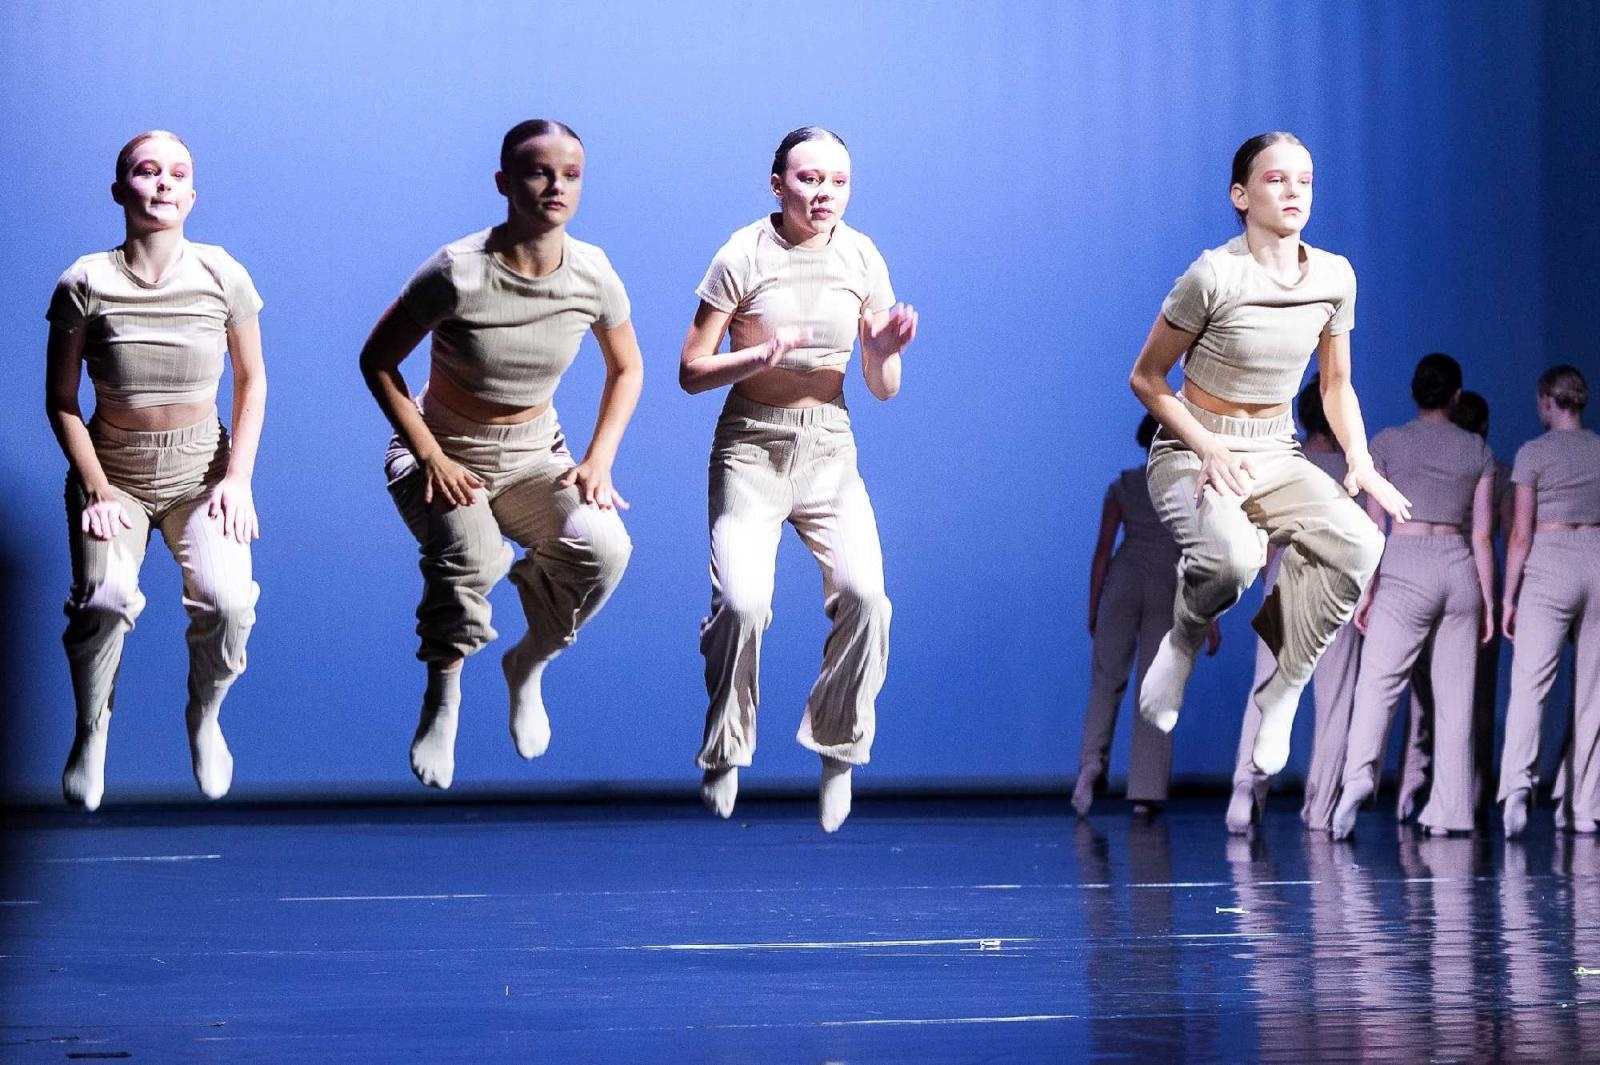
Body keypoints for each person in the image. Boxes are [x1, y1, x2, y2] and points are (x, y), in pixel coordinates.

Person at [358, 119, 641, 790]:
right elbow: (377, 360)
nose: (556, 186)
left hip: (535, 455)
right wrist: (431, 455)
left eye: (571, 174)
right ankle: (443, 697)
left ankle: (529, 663)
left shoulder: (594, 273)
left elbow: (627, 368)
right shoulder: (458, 270)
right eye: (540, 172)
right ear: (505, 183)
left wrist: (598, 458)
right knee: (475, 556)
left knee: (605, 547)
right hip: (441, 448)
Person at [1128, 131, 1400, 782]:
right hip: (1193, 445)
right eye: (1277, 179)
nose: (1294, 192)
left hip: (1276, 449)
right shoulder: (1213, 275)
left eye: (1305, 180)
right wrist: (1208, 443)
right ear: (1241, 195)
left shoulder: (1335, 276)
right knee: (1234, 558)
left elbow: (1334, 384)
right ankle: (1184, 640)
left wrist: (1358, 458)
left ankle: (1283, 687)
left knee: (1359, 545)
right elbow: (1146, 379)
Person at [679, 127, 918, 832]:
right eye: (809, 179)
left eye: (838, 181)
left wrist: (880, 350)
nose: (824, 193)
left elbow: (883, 387)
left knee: (867, 596)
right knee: (744, 605)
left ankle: (839, 748)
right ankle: (725, 748)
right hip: (750, 446)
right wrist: (756, 357)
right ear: (777, 182)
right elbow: (690, 370)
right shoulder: (742, 254)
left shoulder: (861, 255)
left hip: (828, 447)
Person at [46, 130, 266, 811]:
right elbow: (60, 401)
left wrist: (239, 478)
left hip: (203, 470)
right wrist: (97, 488)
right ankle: (93, 726)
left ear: (193, 195)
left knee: (230, 602)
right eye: (147, 171)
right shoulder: (85, 280)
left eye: (177, 173)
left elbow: (253, 380)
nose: (163, 183)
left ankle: (204, 715)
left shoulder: (222, 272)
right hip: (113, 471)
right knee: (105, 601)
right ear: (121, 190)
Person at [1332, 353, 1496, 840]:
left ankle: (1358, 782)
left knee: (1377, 687)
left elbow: (1373, 526)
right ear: (1456, 396)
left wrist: (1366, 591)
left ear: (1415, 393)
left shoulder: (1386, 444)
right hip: (1458, 565)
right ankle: (1451, 811)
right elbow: (1483, 535)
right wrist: (1489, 599)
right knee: (1454, 701)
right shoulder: (1477, 450)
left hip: (1404, 565)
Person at [1226, 375, 1368, 833]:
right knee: (1334, 702)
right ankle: (1322, 807)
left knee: (1266, 690)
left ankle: (1247, 790)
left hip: (1286, 586)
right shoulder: (1354, 471)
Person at [1074, 415, 1218, 818]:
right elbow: (1200, 556)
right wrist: (1210, 618)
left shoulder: (1124, 485)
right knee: (1158, 687)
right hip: (1168, 583)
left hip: (1124, 577)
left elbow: (1103, 551)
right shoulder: (1189, 490)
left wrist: (1094, 606)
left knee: (1106, 679)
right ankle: (1146, 791)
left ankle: (1091, 763)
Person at [1498, 366, 1600, 836]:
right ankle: (1586, 806)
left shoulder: (1533, 453)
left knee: (1531, 685)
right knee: (1594, 694)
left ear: (1547, 401)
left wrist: (1507, 596)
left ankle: (1518, 792)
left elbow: (1520, 533)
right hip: (1596, 559)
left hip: (1549, 561)